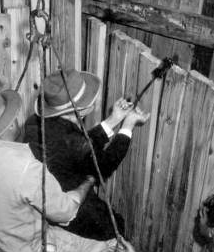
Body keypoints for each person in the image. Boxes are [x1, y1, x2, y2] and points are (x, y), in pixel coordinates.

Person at [0, 87, 111, 252]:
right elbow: (66, 211)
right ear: (9, 125)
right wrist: (88, 181)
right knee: (112, 246)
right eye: (14, 116)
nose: (17, 119)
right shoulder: (26, 167)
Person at [24, 69, 149, 240]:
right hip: (66, 201)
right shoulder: (71, 140)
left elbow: (78, 147)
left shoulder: (35, 122)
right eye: (89, 98)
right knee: (115, 227)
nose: (94, 97)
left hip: (45, 195)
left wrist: (113, 120)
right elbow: (102, 166)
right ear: (81, 110)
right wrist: (127, 126)